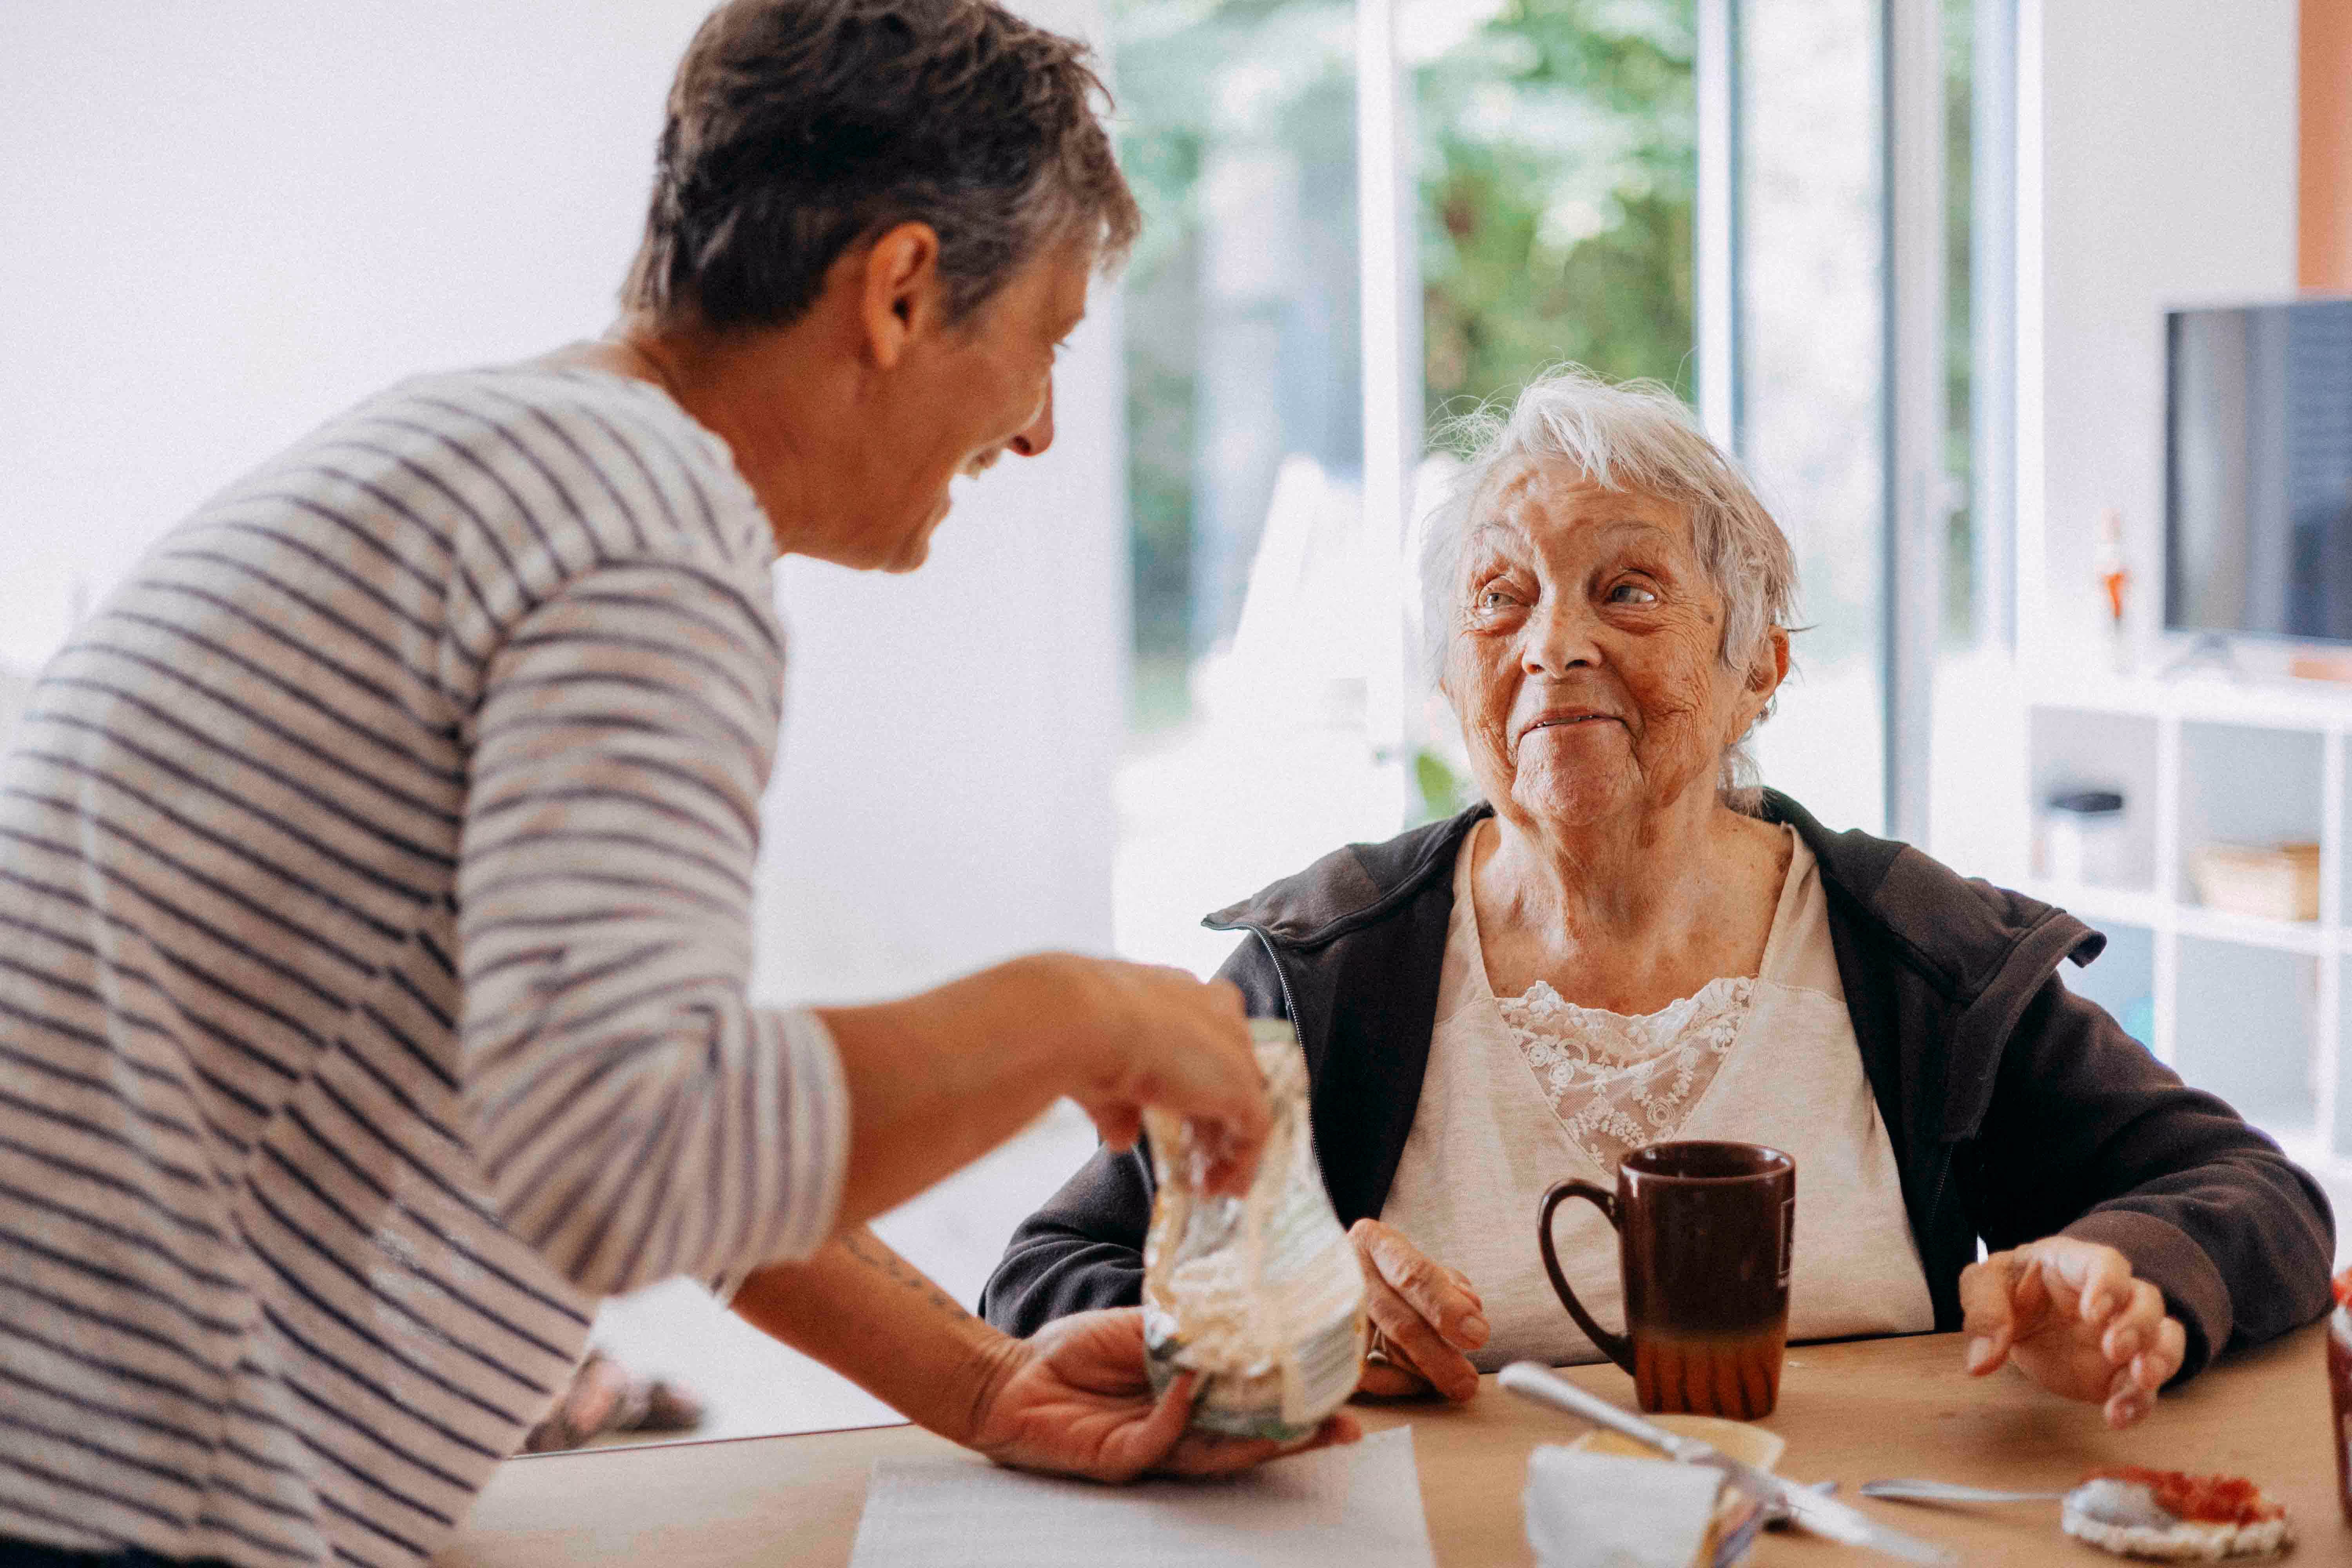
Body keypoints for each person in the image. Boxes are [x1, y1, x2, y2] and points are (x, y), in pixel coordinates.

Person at [0, 3, 1355, 1564]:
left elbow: (635, 1093)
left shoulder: (498, 459)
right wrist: (1078, 1011)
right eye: (1045, 337)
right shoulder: (645, 537)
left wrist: (985, 1383)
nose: (1042, 426)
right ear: (904, 291)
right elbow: (634, 1156)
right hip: (117, 1512)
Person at [984, 367, 2336, 1429]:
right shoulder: (1330, 968)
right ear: (1454, 680)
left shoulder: (1915, 955)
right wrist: (1270, 1304)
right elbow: (1048, 1279)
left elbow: (2252, 1193)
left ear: (1761, 665)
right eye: (1498, 601)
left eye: (1627, 589)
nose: (1552, 644)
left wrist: (2124, 1270)